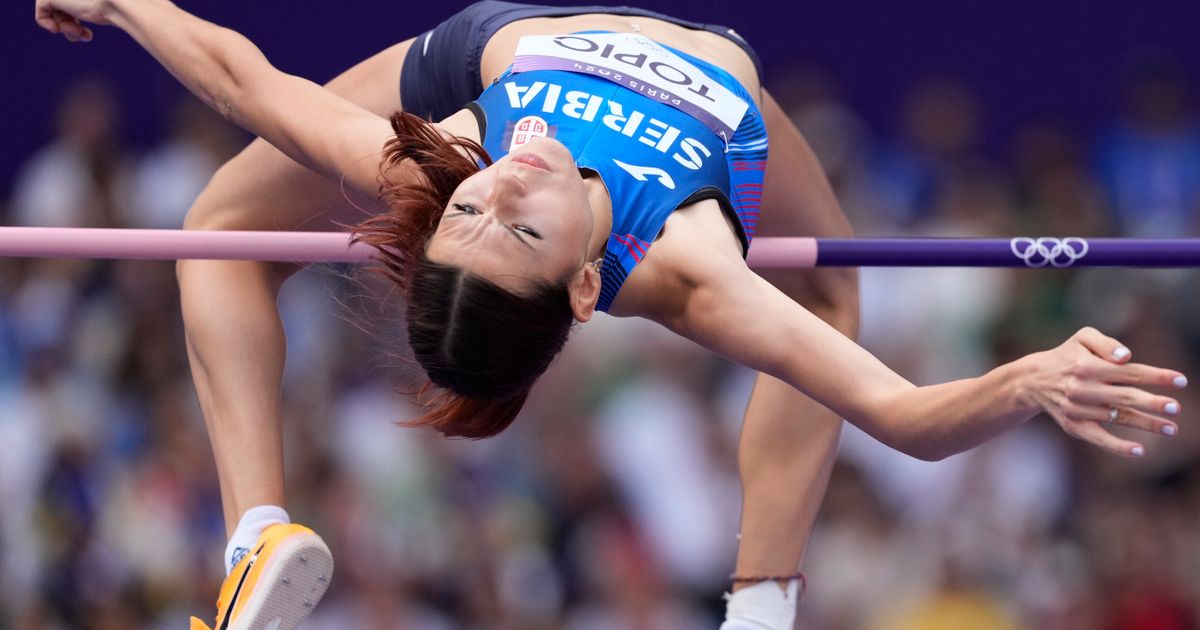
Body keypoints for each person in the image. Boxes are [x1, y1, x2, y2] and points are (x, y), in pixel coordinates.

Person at [35, 1, 1186, 629]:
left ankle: (254, 538)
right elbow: (903, 414)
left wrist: (128, 3)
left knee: (219, 217)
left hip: (499, 40)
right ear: (589, 287)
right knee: (829, 290)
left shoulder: (450, 156)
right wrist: (1028, 381)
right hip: (717, 82)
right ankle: (763, 604)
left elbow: (248, 79)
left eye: (475, 207)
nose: (514, 178)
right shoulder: (690, 263)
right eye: (520, 225)